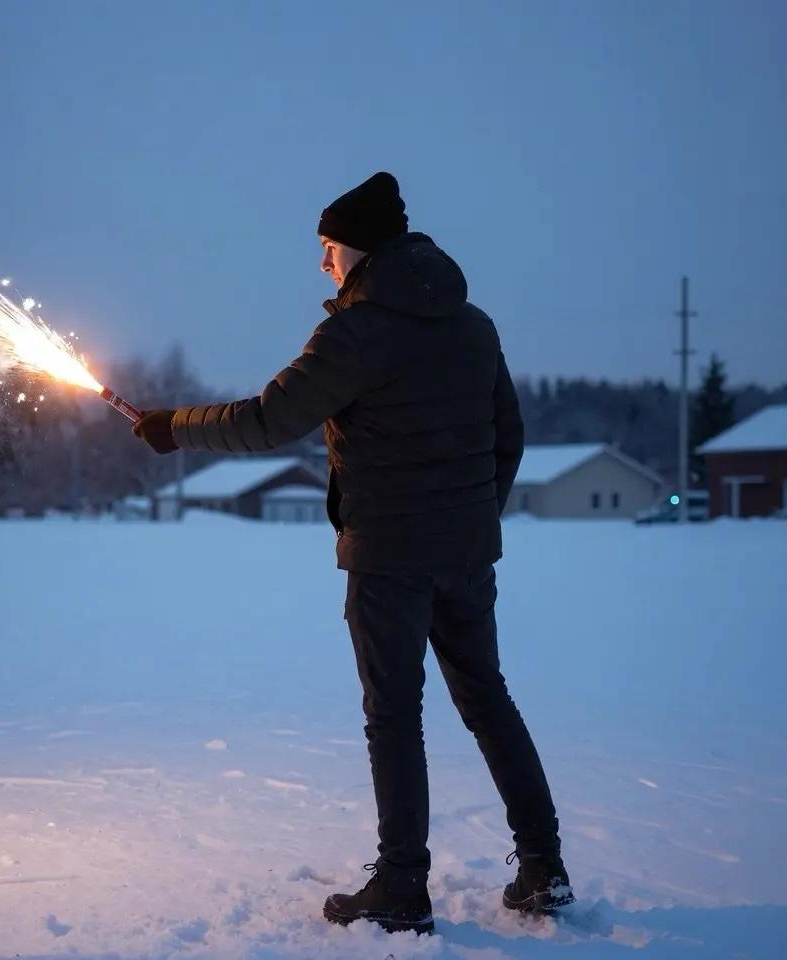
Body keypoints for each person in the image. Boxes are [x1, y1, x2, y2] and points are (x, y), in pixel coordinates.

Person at [132, 172, 573, 934]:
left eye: (328, 247)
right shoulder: (474, 326)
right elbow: (510, 437)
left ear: (358, 248)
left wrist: (174, 426)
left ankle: (402, 884)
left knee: (395, 715)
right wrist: (469, 521)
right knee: (488, 700)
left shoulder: (356, 333)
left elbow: (270, 420)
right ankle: (544, 867)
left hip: (389, 560)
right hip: (466, 556)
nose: (322, 264)